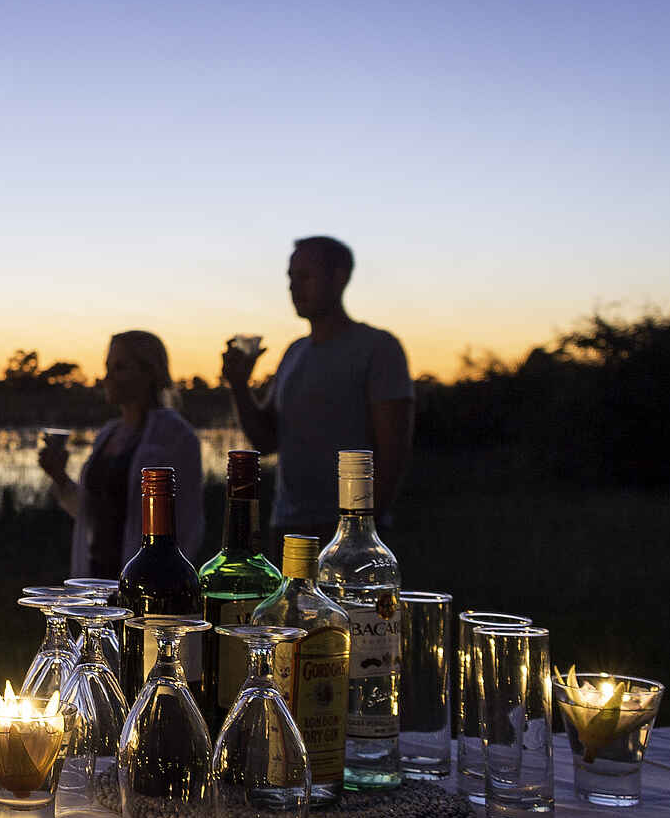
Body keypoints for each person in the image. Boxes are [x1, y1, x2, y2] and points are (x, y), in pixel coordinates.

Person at [222, 235, 414, 547]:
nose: (293, 288)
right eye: (290, 278)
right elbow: (266, 441)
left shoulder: (378, 348)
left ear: (340, 278)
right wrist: (240, 386)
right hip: (288, 528)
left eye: (305, 276)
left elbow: (393, 454)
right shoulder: (294, 353)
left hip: (349, 533)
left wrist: (360, 534)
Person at [39, 330, 204, 576]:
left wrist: (162, 586)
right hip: (96, 580)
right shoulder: (108, 434)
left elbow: (189, 525)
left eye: (120, 367)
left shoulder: (177, 437)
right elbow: (93, 512)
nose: (107, 377)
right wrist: (59, 477)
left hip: (144, 583)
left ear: (150, 373)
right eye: (108, 367)